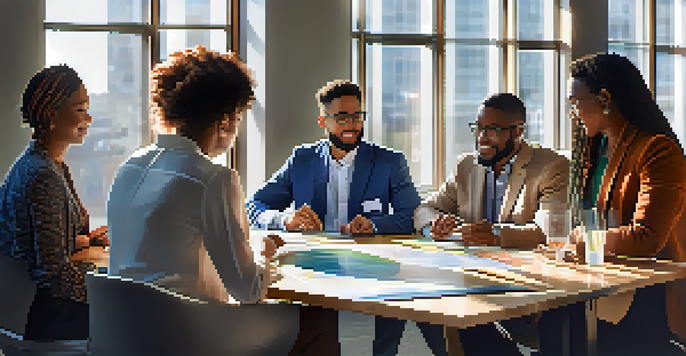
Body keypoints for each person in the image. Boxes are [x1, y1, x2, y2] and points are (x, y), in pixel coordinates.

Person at [106, 46, 334, 356]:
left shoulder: (130, 166)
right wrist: (269, 260)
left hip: (123, 334)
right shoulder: (213, 178)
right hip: (188, 335)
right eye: (239, 117)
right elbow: (247, 290)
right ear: (226, 120)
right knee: (318, 318)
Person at [246, 80, 447, 356]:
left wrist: (375, 225)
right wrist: (286, 220)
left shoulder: (390, 162)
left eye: (357, 116)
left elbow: (411, 216)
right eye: (342, 117)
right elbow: (253, 206)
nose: (352, 124)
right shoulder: (301, 159)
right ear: (323, 121)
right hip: (313, 266)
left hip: (373, 266)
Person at [536, 52, 686, 356]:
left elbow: (647, 238)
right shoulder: (594, 148)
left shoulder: (658, 150)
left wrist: (582, 240)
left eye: (576, 103)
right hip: (594, 283)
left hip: (642, 294)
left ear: (604, 98)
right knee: (548, 331)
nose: (574, 113)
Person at [414, 92, 570, 355]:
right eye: (479, 128)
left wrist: (496, 235)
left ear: (518, 131)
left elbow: (549, 232)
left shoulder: (551, 166)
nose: (482, 137)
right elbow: (426, 208)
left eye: (493, 130)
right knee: (426, 306)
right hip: (474, 278)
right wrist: (434, 226)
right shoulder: (467, 165)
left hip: (527, 283)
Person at [0, 65, 109, 341]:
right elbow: (52, 273)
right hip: (45, 316)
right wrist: (108, 297)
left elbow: (41, 243)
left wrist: (85, 241)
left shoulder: (47, 164)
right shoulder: (43, 175)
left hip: (33, 306)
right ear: (51, 115)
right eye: (80, 109)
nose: (89, 117)